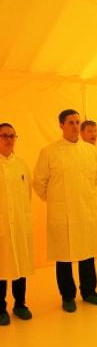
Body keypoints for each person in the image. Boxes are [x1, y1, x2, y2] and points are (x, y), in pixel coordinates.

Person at [33, 109, 97, 313]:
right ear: (61, 125)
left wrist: (80, 199)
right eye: (71, 122)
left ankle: (90, 291)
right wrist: (58, 200)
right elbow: (39, 182)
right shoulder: (49, 152)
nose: (75, 126)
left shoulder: (92, 152)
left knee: (87, 254)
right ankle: (67, 296)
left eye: (77, 122)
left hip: (85, 210)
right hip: (62, 213)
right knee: (64, 257)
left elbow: (95, 177)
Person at [0, 123, 34, 325]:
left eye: (12, 135)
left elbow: (27, 194)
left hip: (19, 223)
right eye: (4, 135)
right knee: (1, 267)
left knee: (20, 265)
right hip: (2, 224)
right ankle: (0, 308)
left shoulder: (21, 165)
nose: (9, 139)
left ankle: (20, 304)